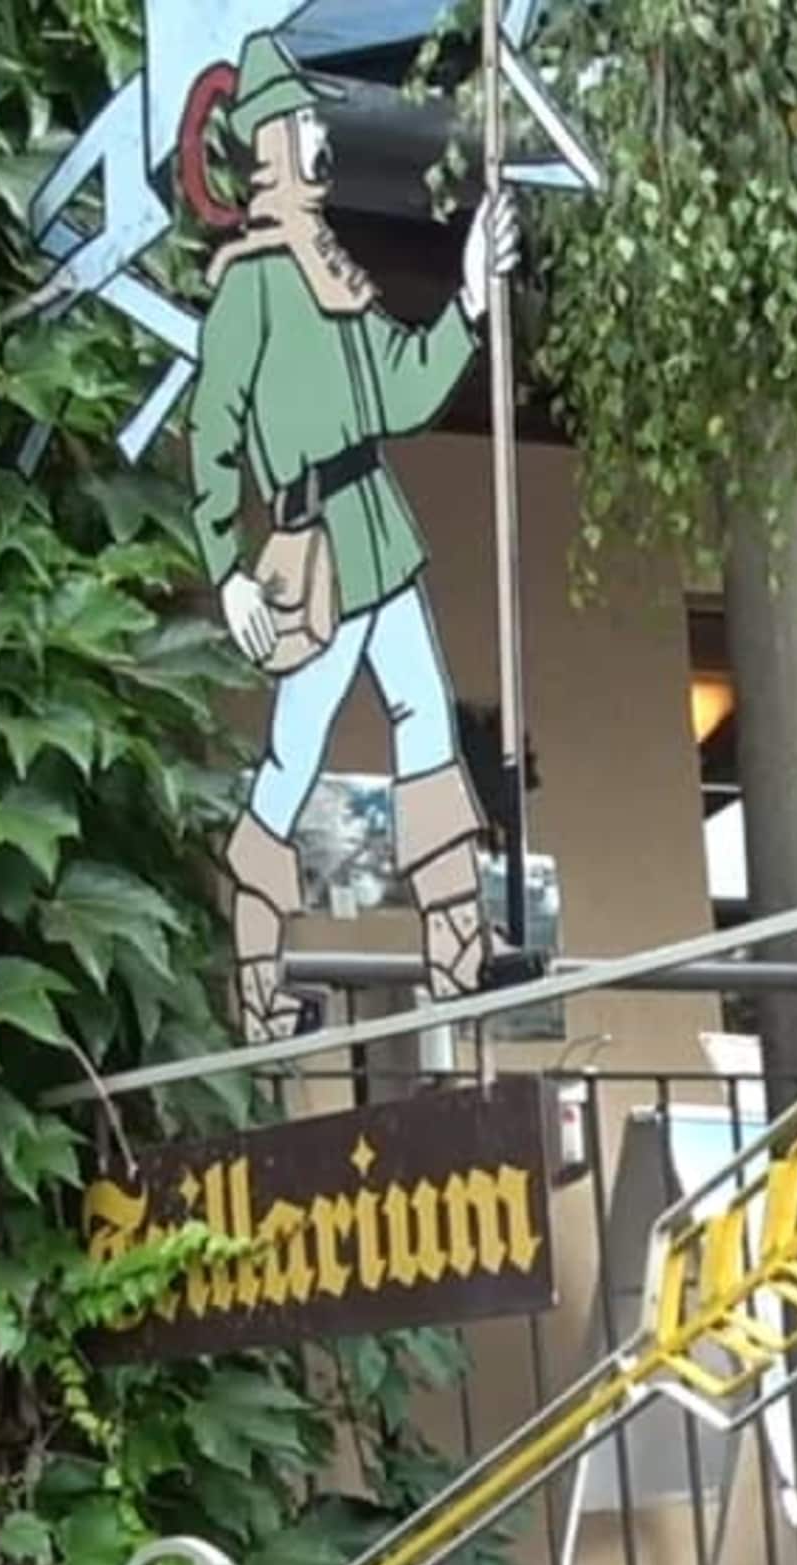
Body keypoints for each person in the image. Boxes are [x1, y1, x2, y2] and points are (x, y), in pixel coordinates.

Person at [184, 30, 522, 1044]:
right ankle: (258, 990)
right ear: (271, 151)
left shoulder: (334, 272)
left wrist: (468, 297)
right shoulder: (251, 289)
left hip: (381, 536)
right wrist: (227, 569)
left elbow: (403, 392)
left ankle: (458, 957)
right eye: (300, 127)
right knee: (293, 758)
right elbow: (212, 432)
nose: (317, 142)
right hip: (316, 559)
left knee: (426, 729)